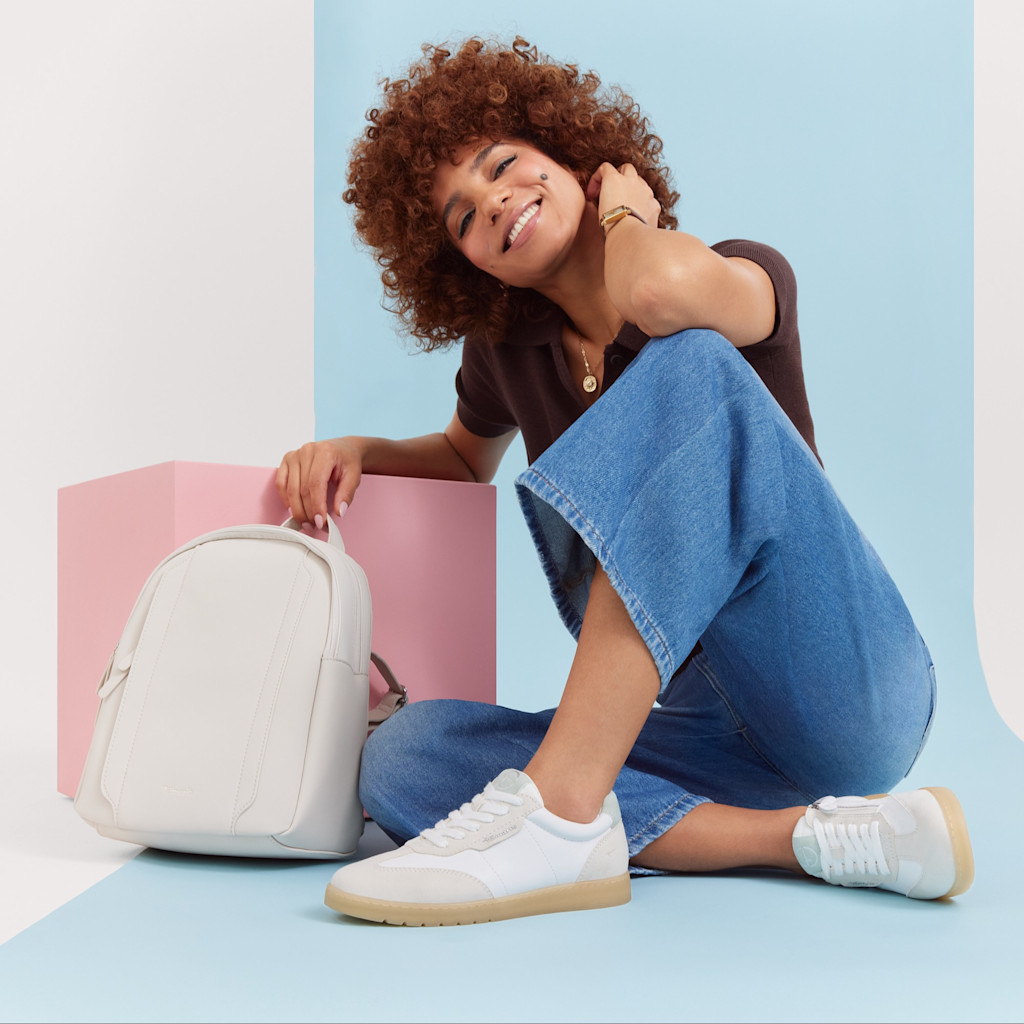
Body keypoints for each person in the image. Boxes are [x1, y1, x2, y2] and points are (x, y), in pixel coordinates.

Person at [276, 37, 974, 927]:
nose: (494, 202)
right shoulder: (506, 354)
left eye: (505, 166)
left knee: (687, 366)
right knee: (404, 757)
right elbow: (463, 458)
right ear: (467, 265)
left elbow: (659, 304)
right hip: (696, 729)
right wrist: (360, 448)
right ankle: (807, 839)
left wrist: (627, 218)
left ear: (573, 153)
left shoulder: (729, 274)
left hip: (840, 683)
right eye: (462, 217)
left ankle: (563, 815)